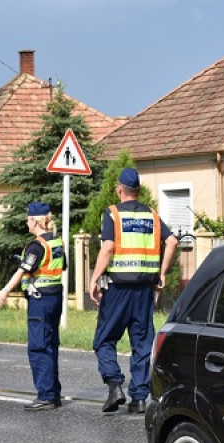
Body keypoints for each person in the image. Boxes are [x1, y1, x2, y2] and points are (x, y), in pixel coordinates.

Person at [89, 168, 178, 413]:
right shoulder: (151, 214)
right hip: (144, 290)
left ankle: (115, 384)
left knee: (105, 339)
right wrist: (161, 272)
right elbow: (172, 241)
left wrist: (94, 278)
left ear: (119, 189)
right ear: (137, 191)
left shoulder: (112, 214)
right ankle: (139, 398)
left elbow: (108, 248)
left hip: (118, 288)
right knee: (141, 342)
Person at [0, 202, 65, 411]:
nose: (26, 222)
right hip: (55, 299)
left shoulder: (37, 245)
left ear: (35, 221)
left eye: (28, 219)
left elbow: (24, 270)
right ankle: (54, 393)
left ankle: (46, 395)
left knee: (38, 346)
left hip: (40, 302)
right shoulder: (56, 242)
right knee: (50, 345)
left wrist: (5, 291)